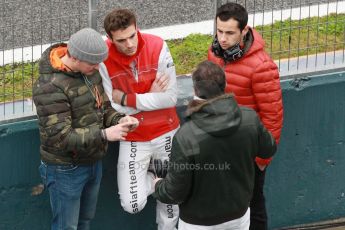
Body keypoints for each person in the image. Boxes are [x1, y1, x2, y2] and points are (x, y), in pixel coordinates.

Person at [32, 28, 139, 230]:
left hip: (92, 161)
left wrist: (119, 119)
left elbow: (103, 107)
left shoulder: (90, 72)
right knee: (67, 227)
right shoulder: (49, 86)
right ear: (76, 58)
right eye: (93, 63)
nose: (98, 67)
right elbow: (60, 138)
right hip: (65, 169)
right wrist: (105, 134)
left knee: (84, 222)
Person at [153, 60, 277, 230]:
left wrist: (157, 185)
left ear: (195, 90)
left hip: (197, 221)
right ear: (225, 84)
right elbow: (268, 148)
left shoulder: (186, 136)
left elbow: (174, 192)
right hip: (238, 214)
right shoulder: (249, 119)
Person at [100, 8, 180, 230]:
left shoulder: (158, 45)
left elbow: (170, 98)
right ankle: (157, 181)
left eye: (132, 36)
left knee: (171, 201)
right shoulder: (103, 59)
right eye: (121, 40)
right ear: (110, 39)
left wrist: (128, 98)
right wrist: (150, 94)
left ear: (137, 28)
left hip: (167, 132)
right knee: (132, 203)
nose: (129, 44)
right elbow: (111, 107)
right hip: (133, 138)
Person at [208, 3, 284, 230]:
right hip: (221, 145)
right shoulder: (215, 52)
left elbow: (273, 117)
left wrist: (261, 161)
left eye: (229, 32)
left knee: (253, 206)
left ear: (244, 31)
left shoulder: (262, 67)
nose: (222, 38)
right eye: (219, 31)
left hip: (250, 153)